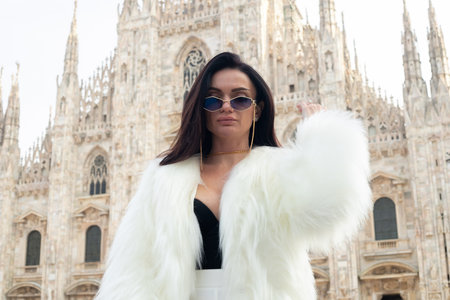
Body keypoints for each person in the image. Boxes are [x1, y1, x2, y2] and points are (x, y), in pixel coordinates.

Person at [95, 52, 371, 300]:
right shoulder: (165, 177)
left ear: (257, 108)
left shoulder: (279, 169)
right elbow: (132, 268)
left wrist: (324, 139)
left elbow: (329, 211)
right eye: (214, 99)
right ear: (201, 108)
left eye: (239, 99)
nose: (227, 106)